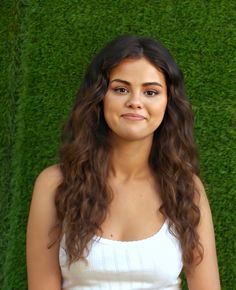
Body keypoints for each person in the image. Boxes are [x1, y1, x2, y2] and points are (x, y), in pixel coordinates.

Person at [26, 35, 221, 290]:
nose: (135, 102)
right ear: (99, 97)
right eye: (121, 89)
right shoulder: (55, 184)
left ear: (168, 103)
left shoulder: (185, 189)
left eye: (151, 92)